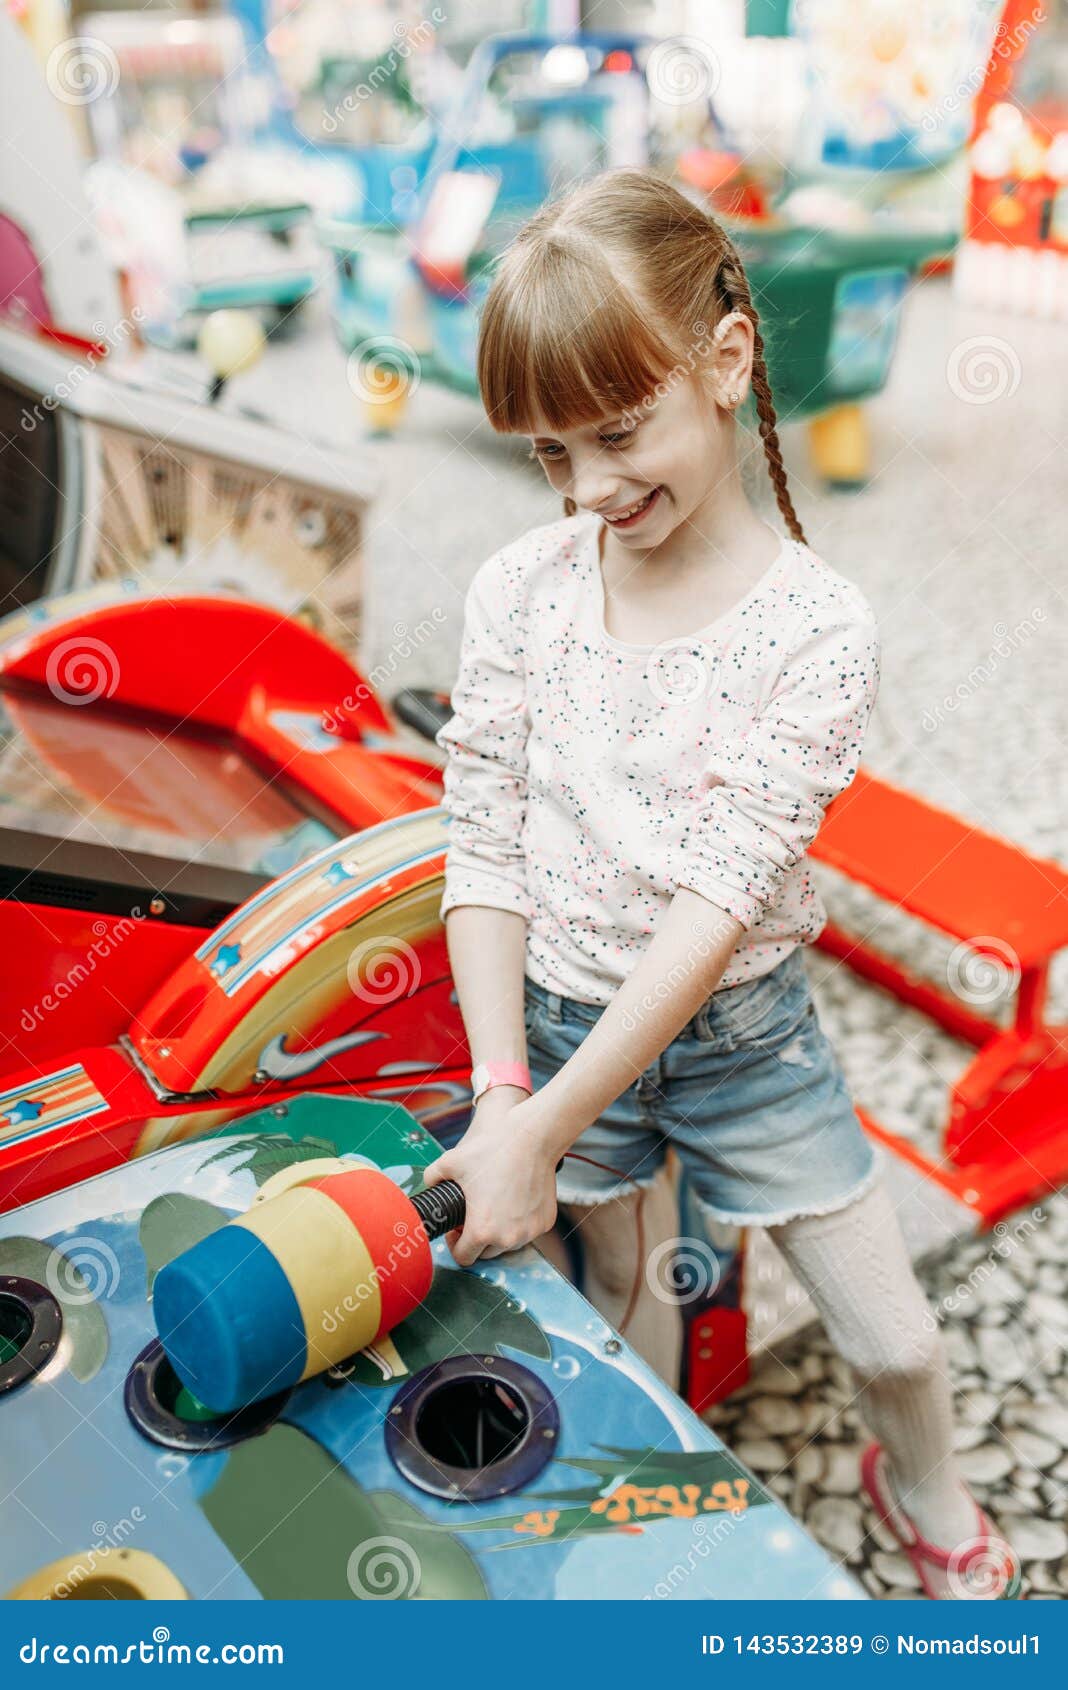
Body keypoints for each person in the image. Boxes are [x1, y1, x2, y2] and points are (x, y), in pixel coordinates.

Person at [425, 168, 1019, 1601]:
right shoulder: (522, 588)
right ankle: (645, 1551)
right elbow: (484, 836)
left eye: (618, 433)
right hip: (562, 1024)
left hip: (748, 1040)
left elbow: (715, 898)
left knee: (899, 1339)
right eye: (549, 454)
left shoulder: (816, 631)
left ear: (728, 362)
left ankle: (916, 1480)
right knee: (626, 1322)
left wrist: (534, 1129)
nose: (587, 491)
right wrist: (510, 1089)